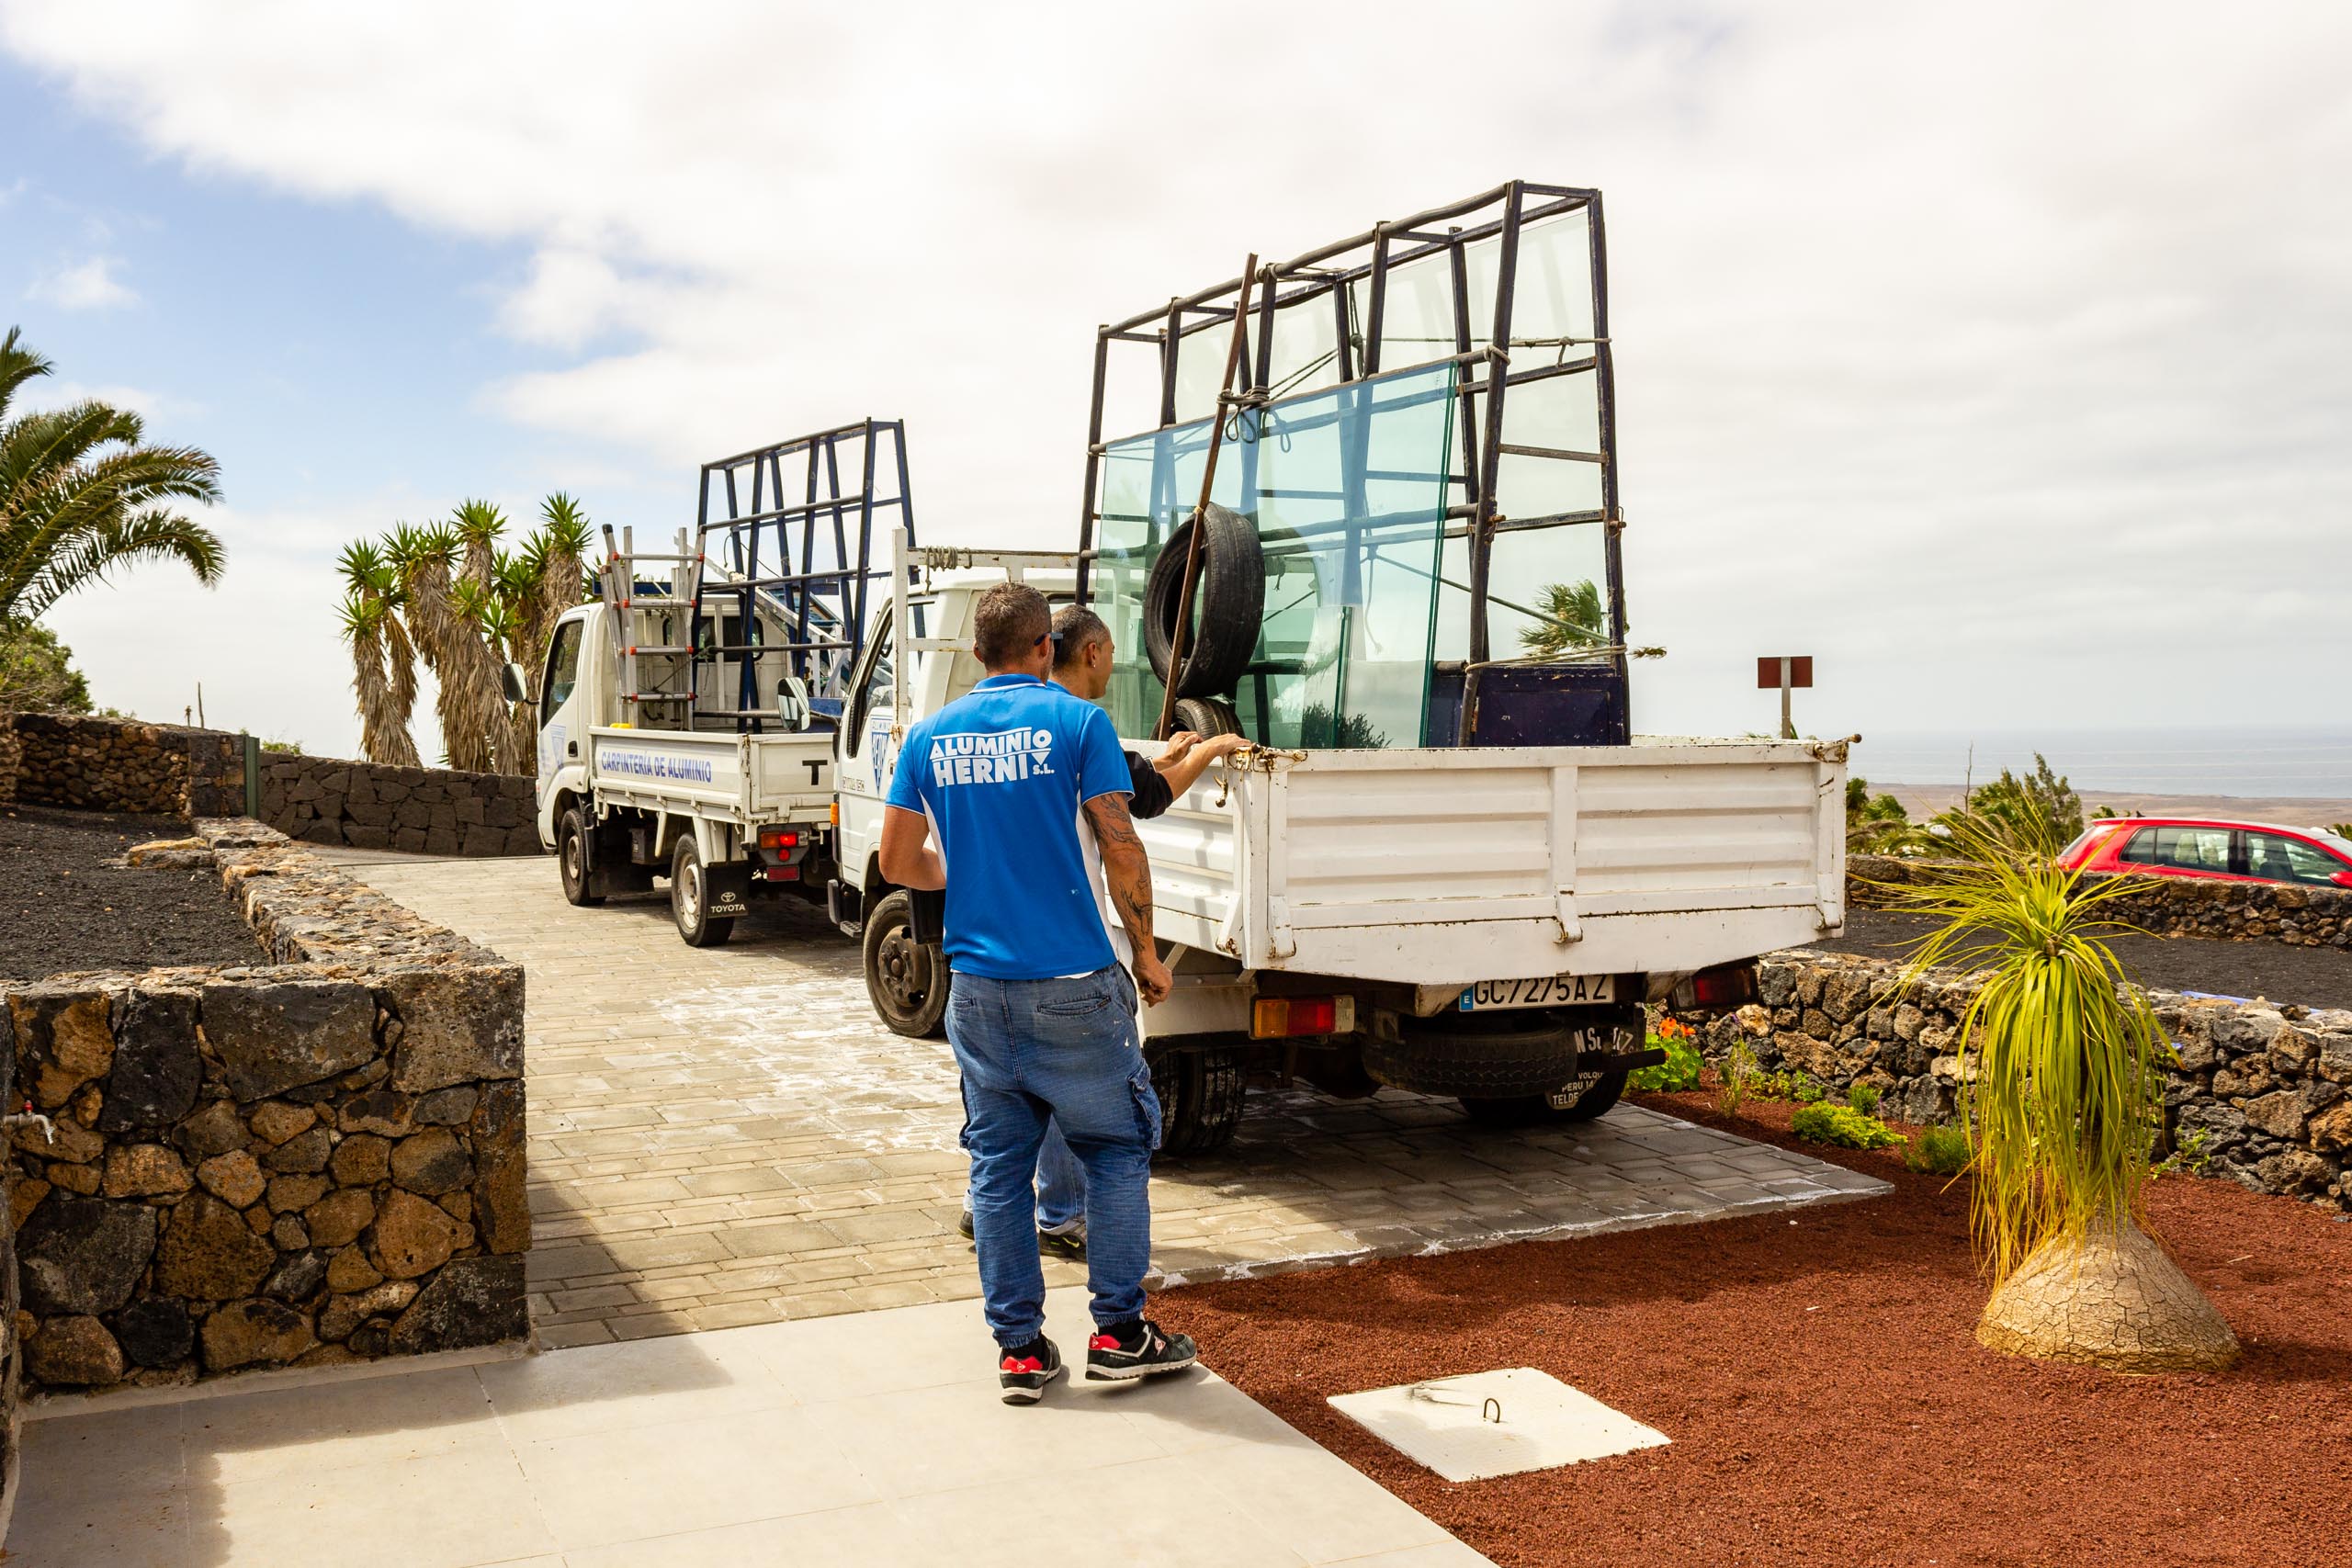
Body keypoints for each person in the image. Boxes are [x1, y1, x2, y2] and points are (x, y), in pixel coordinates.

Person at [880, 581, 1198, 1404]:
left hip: (977, 990)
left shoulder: (930, 736)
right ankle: (1121, 1335)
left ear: (978, 653)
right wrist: (1149, 953)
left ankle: (1020, 1350)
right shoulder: (1077, 723)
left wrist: (962, 874)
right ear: (1044, 649)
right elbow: (1122, 846)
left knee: (996, 1169)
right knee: (1117, 1152)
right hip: (1072, 987)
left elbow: (896, 862)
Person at [952, 604, 1250, 1257]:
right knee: (1076, 1096)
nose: (1116, 662)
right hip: (1062, 955)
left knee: (999, 1096)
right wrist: (1213, 748)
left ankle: (988, 1208)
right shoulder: (1076, 724)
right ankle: (1073, 1231)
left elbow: (906, 859)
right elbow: (1138, 812)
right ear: (1088, 652)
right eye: (1112, 650)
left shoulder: (960, 732)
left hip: (978, 961)